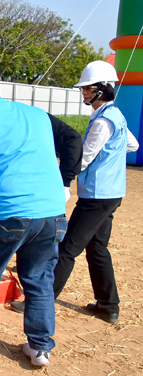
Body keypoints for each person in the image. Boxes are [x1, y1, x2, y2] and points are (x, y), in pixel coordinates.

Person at [0, 60, 82, 368]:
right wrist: (64, 182)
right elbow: (74, 138)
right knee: (38, 279)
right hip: (51, 214)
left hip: (7, 214)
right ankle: (39, 348)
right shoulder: (37, 114)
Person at [51, 61, 139, 324]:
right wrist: (111, 156)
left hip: (97, 197)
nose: (84, 93)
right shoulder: (117, 116)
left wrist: (58, 174)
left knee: (67, 248)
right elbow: (131, 145)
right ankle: (108, 305)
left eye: (88, 89)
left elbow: (83, 158)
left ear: (103, 89)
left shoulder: (102, 122)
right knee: (97, 248)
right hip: (111, 194)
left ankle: (41, 300)